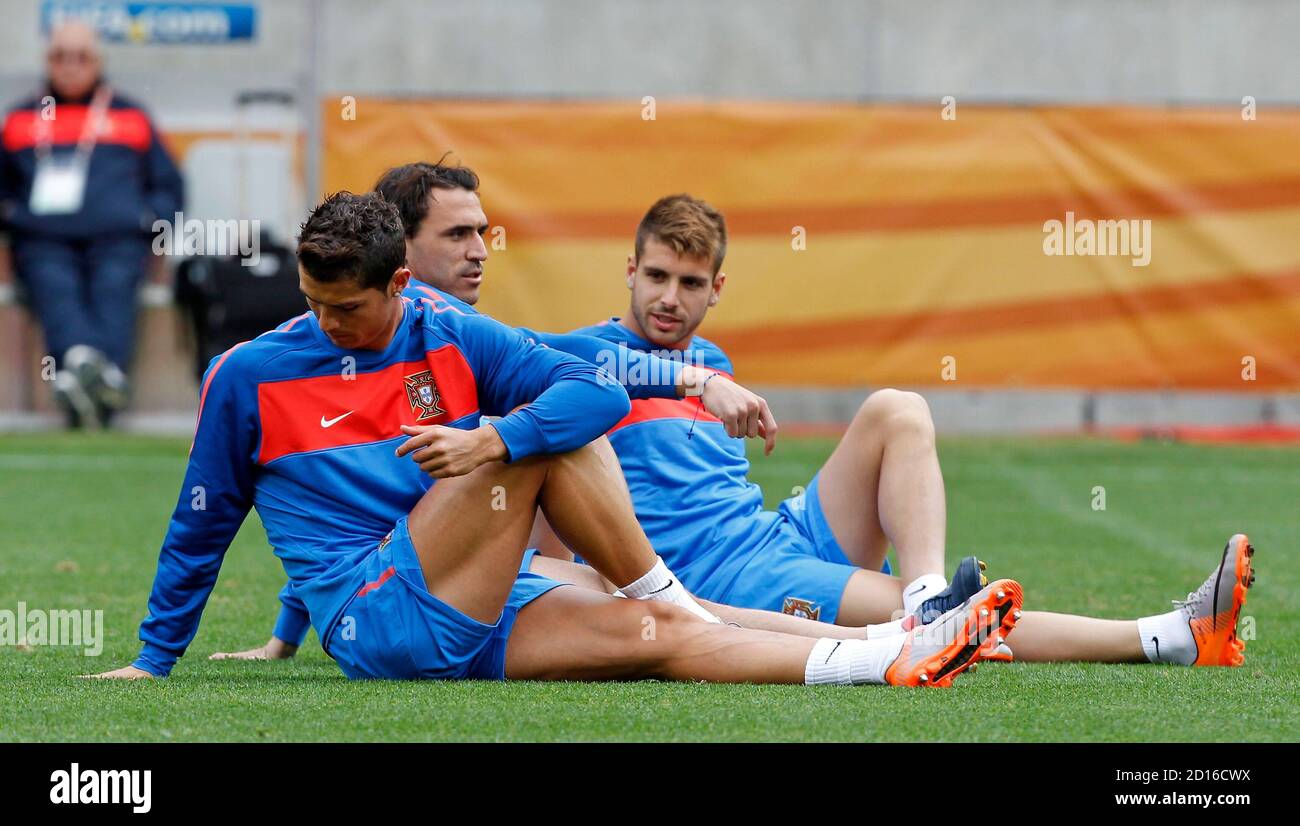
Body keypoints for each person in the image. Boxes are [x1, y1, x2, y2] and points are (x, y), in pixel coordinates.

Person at [87, 191, 1019, 688]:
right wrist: (154, 656)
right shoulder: (249, 374)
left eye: (348, 306)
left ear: (401, 284)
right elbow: (202, 519)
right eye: (314, 302)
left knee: (654, 630)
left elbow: (589, 385)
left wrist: (491, 444)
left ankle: (890, 649)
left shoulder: (445, 327)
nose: (325, 321)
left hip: (478, 586)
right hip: (376, 616)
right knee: (551, 460)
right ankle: (1117, 632)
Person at [558, 193, 1255, 667]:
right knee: (965, 619)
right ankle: (1173, 636)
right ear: (629, 270)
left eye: (689, 282)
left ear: (717, 289)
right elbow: (565, 423)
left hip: (774, 532)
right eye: (655, 276)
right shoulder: (580, 356)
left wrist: (706, 374)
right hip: (723, 576)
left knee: (899, 408)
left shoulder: (712, 356)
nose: (669, 298)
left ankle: (928, 593)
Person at [0, 20, 184, 428]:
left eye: (80, 57)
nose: (70, 66)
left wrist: (151, 220)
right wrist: (12, 216)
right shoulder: (19, 119)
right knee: (54, 286)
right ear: (47, 61)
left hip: (118, 238)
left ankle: (80, 374)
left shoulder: (132, 116)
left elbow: (168, 184)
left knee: (114, 286)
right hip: (42, 239)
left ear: (98, 62)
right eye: (60, 56)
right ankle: (103, 375)